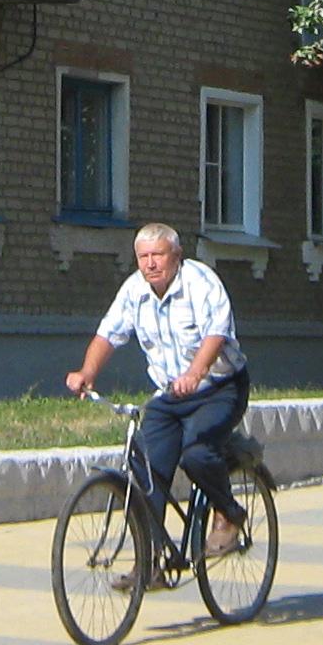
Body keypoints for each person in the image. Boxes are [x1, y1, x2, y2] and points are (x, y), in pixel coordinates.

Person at [67, 220, 250, 560]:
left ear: (176, 255)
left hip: (219, 387)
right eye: (143, 256)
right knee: (148, 471)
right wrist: (87, 372)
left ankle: (228, 513)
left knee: (196, 454)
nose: (150, 264)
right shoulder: (134, 290)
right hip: (170, 394)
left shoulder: (200, 282)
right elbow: (108, 333)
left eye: (158, 255)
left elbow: (216, 334)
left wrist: (196, 372)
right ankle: (149, 564)